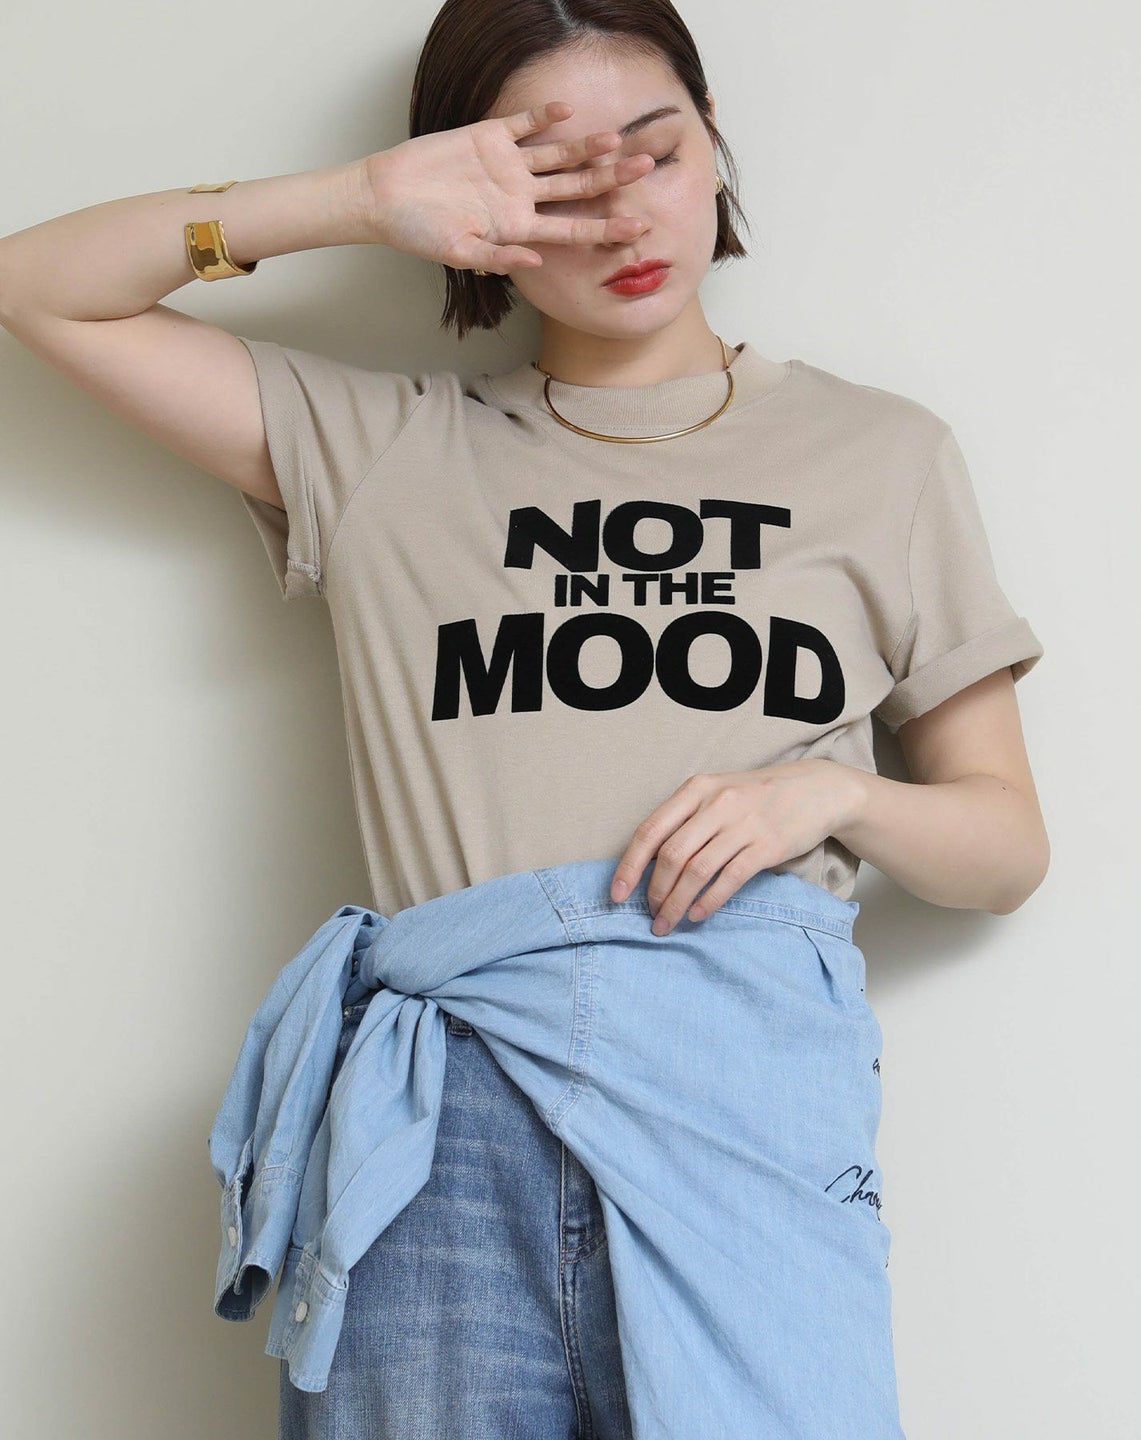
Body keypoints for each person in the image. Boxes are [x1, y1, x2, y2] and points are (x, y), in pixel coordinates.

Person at [0, 0, 1048, 1435]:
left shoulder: (883, 456)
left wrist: (834, 795)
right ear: (476, 209)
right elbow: (38, 285)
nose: (623, 214)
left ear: (715, 145)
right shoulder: (385, 450)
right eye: (554, 183)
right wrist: (358, 201)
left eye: (656, 153)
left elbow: (1005, 848)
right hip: (442, 1135)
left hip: (743, 1118)